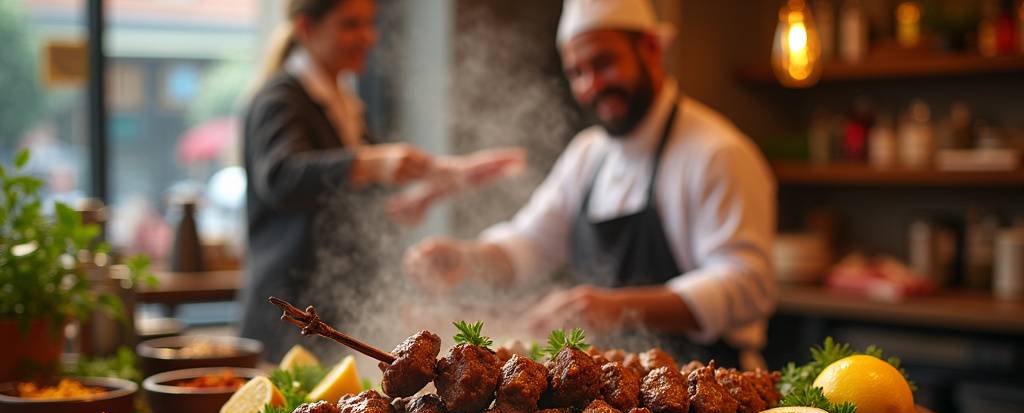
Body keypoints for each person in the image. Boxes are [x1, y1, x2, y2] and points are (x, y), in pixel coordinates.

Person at [404, 0, 776, 369]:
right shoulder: (587, 154)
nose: (591, 85)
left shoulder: (717, 153)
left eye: (603, 63)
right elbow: (530, 243)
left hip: (709, 387)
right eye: (577, 72)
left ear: (650, 48)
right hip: (610, 397)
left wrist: (615, 308)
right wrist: (469, 259)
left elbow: (747, 283)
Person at [239, 0, 434, 359]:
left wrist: (407, 201)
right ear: (306, 28)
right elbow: (281, 177)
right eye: (350, 25)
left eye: (369, 24)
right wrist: (371, 162)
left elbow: (350, 200)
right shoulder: (281, 98)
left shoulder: (344, 104)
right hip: (289, 313)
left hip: (332, 312)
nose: (367, 37)